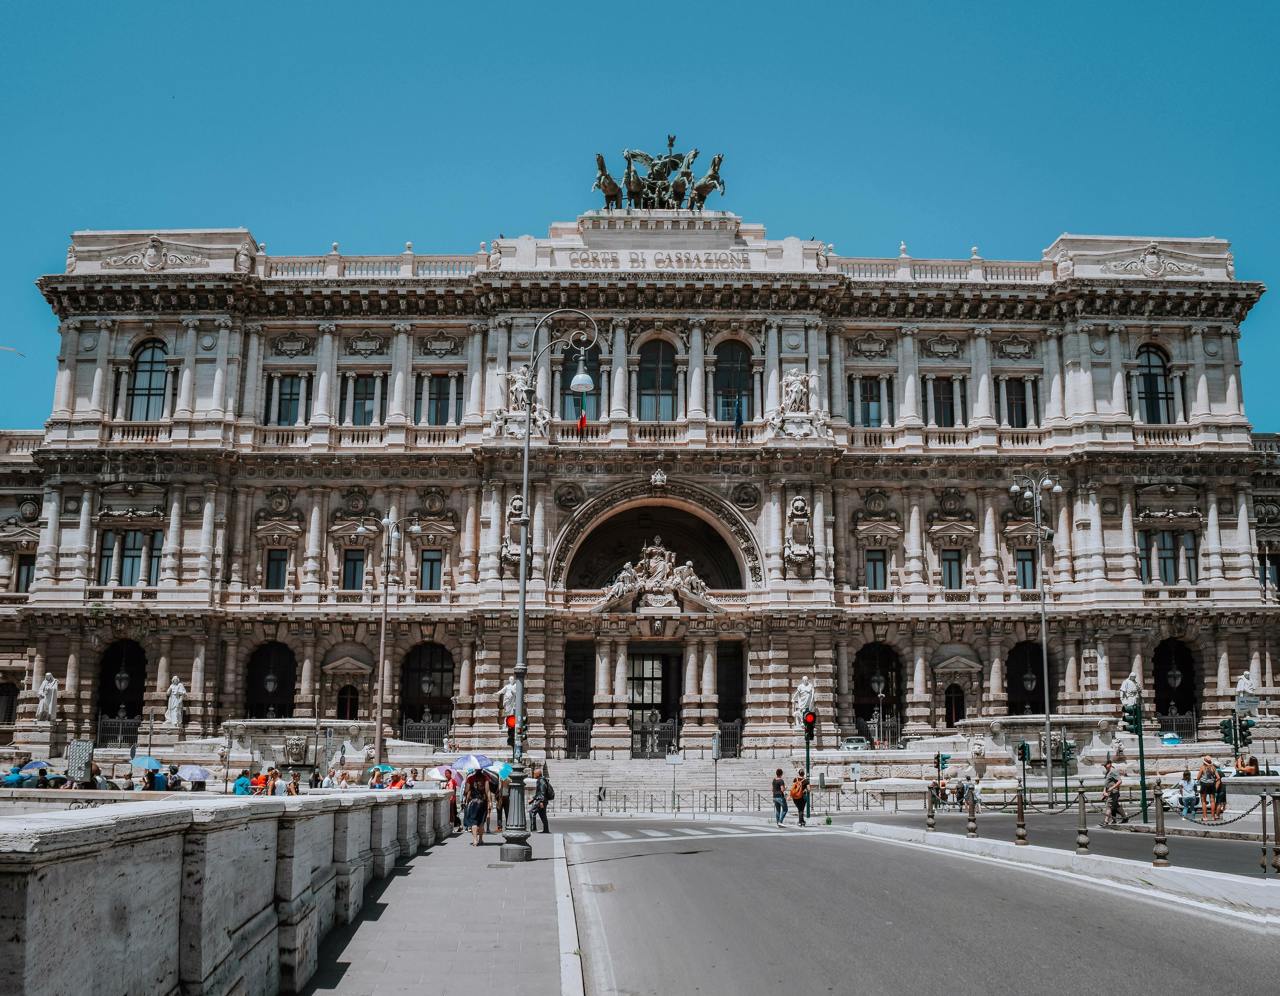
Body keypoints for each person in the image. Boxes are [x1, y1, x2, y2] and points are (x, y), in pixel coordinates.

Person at [462, 771, 491, 846]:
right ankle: (480, 839)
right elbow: (487, 791)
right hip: (483, 802)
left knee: (473, 821)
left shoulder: (470, 778)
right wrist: (490, 801)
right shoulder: (485, 778)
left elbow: (466, 791)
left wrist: (465, 793)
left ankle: (475, 840)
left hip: (473, 803)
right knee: (481, 822)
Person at [1101, 761, 1127, 825]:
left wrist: (1112, 788)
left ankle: (1106, 821)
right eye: (1104, 765)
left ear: (1110, 764)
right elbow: (1106, 783)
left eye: (1105, 765)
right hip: (1110, 792)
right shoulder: (1108, 772)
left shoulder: (1113, 771)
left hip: (1113, 792)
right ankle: (1125, 818)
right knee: (1116, 806)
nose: (1104, 766)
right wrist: (1104, 791)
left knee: (1109, 806)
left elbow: (1120, 781)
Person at [530, 766, 553, 833]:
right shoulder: (542, 780)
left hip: (541, 800)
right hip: (543, 800)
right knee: (542, 815)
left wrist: (541, 802)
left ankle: (533, 829)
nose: (533, 775)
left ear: (538, 774)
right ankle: (546, 829)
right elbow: (539, 792)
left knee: (532, 812)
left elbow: (542, 792)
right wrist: (533, 799)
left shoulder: (541, 781)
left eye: (534, 773)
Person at [1196, 755, 1219, 822]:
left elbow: (1198, 777)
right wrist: (1213, 780)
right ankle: (1213, 816)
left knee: (1203, 801)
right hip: (1212, 784)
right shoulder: (1213, 767)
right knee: (1212, 801)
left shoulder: (1202, 767)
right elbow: (1218, 777)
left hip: (1204, 784)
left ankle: (1205, 817)